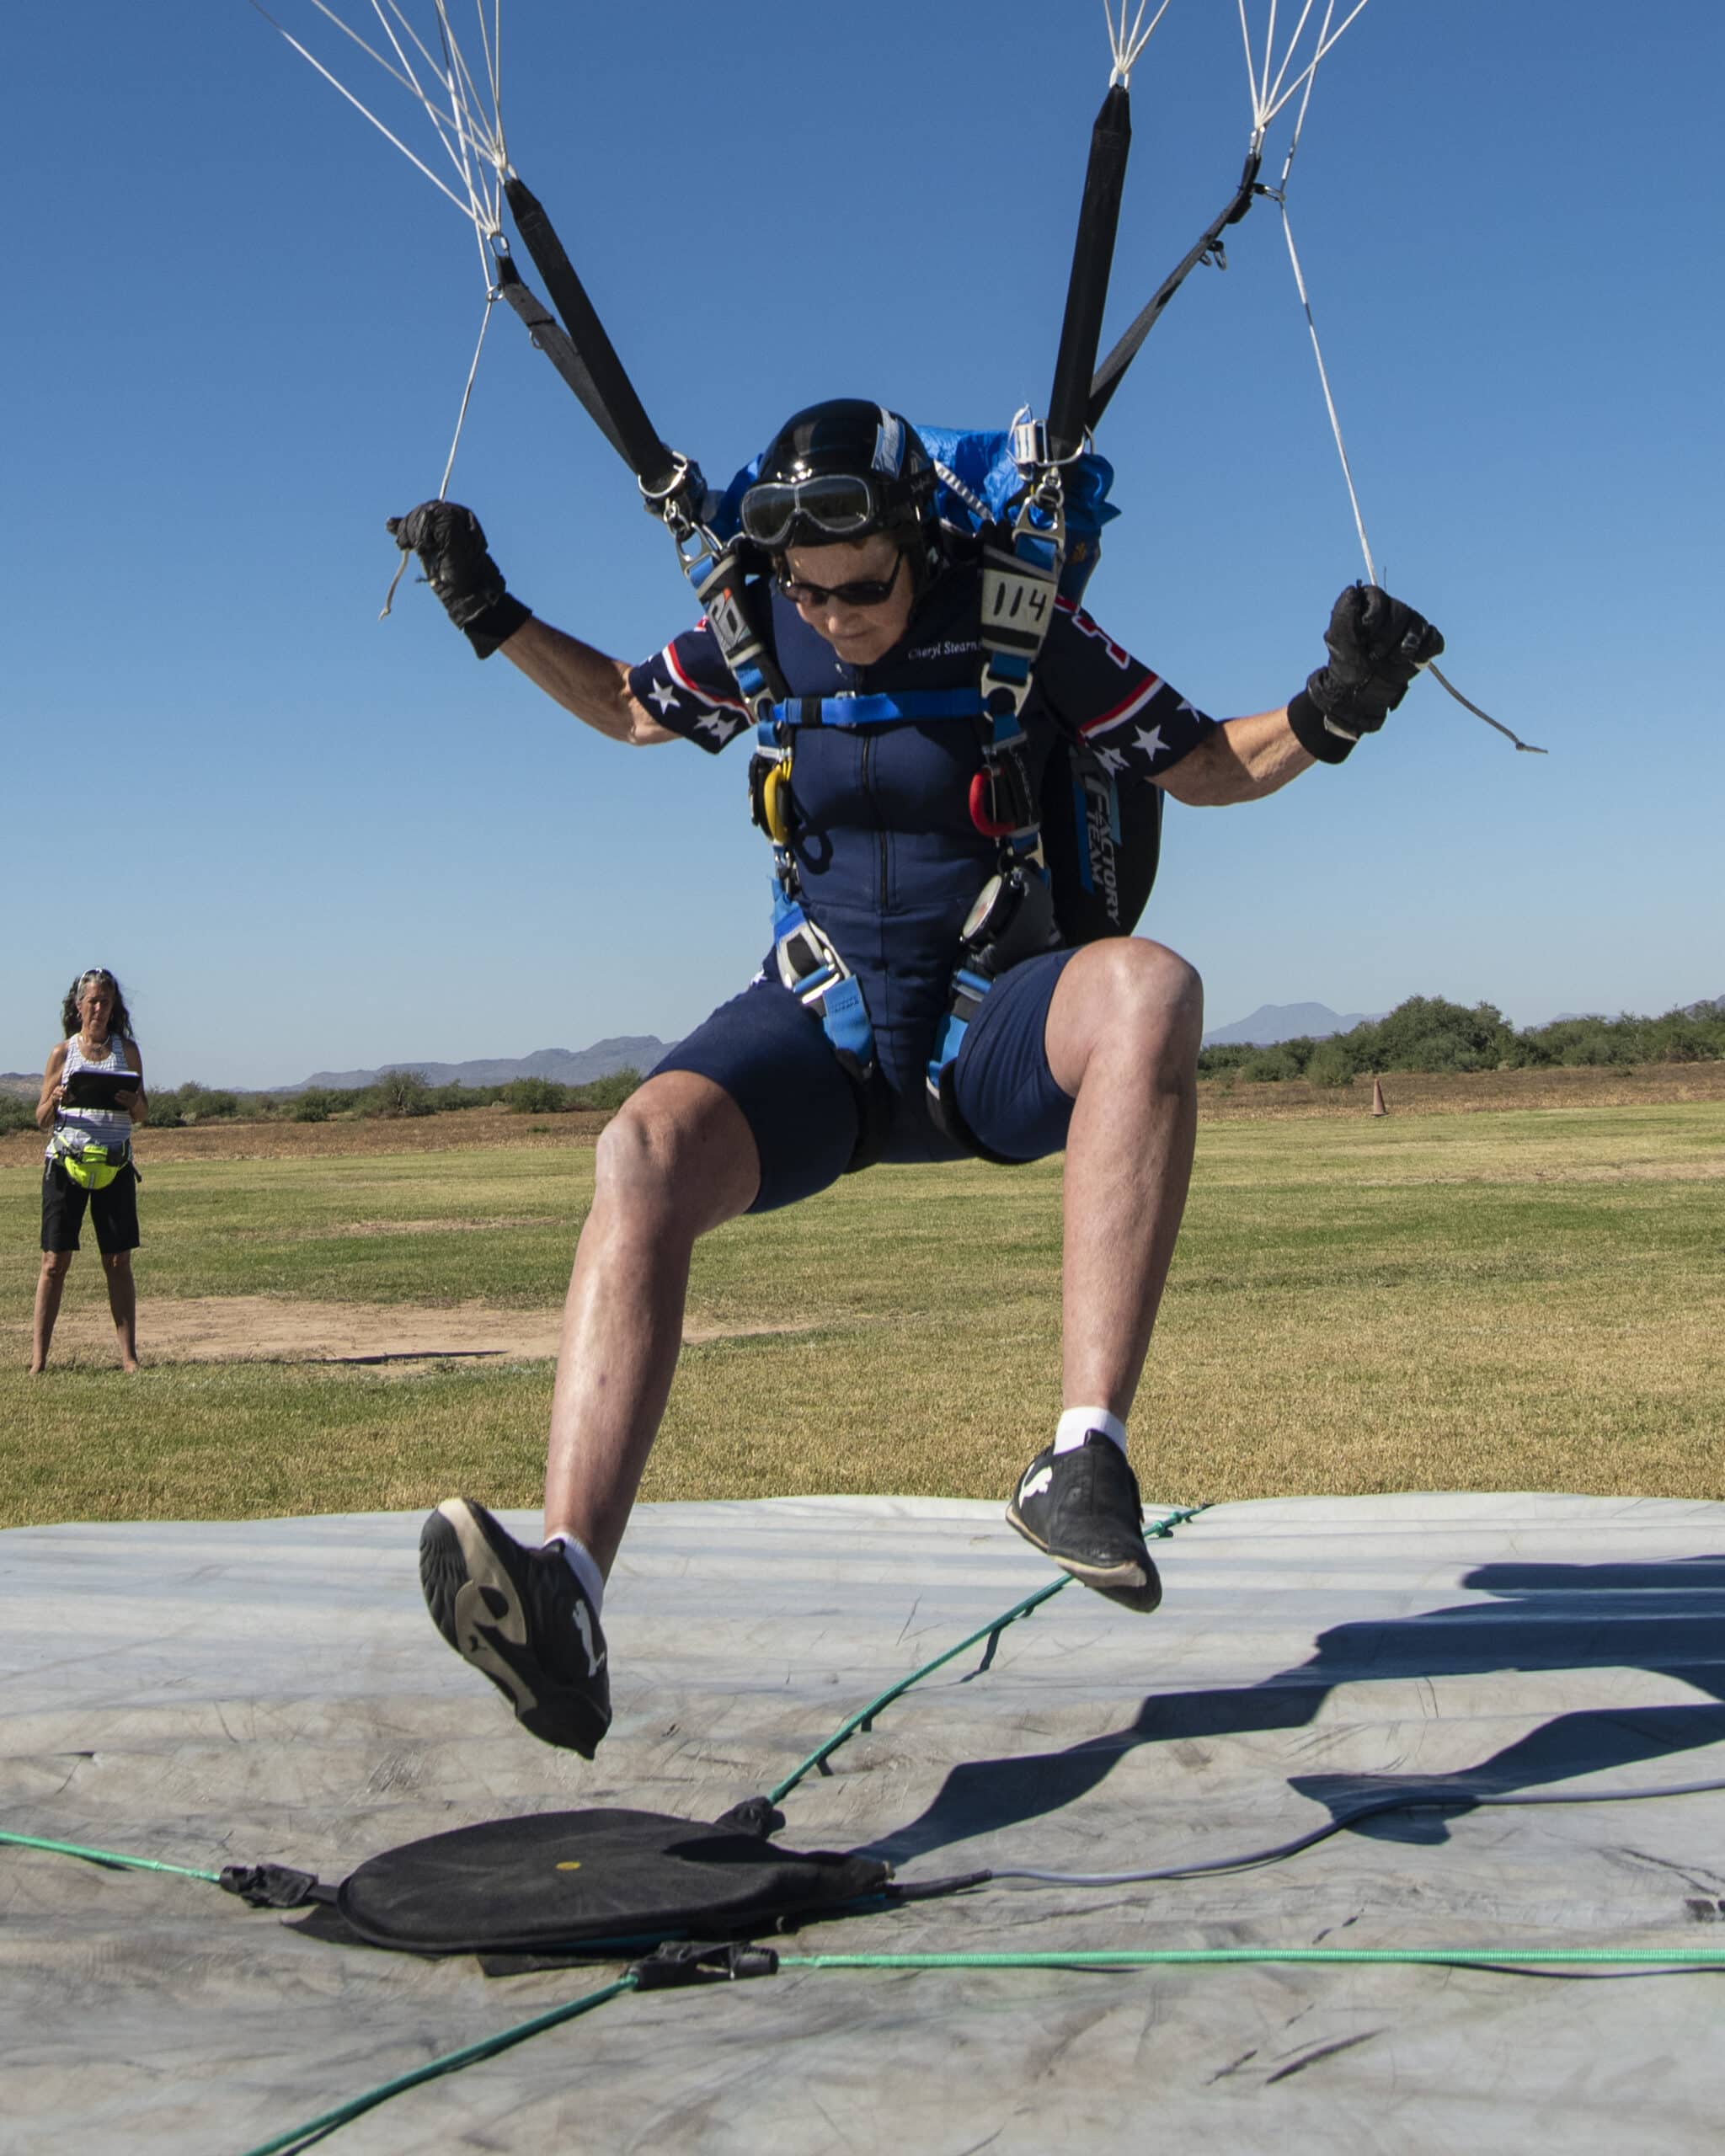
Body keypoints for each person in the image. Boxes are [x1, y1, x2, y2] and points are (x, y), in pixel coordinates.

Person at [394, 400, 1442, 1758]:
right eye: (807, 592)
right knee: (639, 1151)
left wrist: (1334, 706)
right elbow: (624, 709)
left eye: (863, 586)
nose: (833, 616)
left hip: (987, 1032)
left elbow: (1202, 767)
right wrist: (489, 607)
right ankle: (567, 1594)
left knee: (1153, 989)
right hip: (819, 1040)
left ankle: (1085, 1453)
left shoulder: (1020, 624)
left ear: (913, 540)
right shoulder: (759, 626)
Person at [33, 968, 148, 1374]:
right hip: (65, 1166)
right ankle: (38, 1361)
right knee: (53, 1262)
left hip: (114, 1166)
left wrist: (130, 1101)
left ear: (114, 1007)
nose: (98, 1009)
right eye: (92, 1001)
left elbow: (142, 1112)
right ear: (78, 1005)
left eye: (106, 1002)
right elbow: (41, 1119)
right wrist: (57, 1098)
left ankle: (129, 1358)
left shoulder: (127, 1051)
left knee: (118, 1262)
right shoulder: (62, 1054)